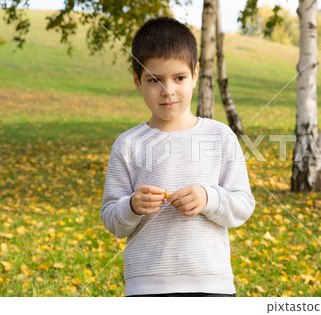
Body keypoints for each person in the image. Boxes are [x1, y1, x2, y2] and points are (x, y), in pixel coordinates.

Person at [100, 17, 255, 297]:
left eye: (179, 78)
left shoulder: (219, 136)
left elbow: (243, 205)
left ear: (195, 75)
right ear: (137, 81)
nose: (168, 90)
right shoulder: (127, 144)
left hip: (212, 285)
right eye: (154, 79)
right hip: (146, 287)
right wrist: (132, 205)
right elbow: (112, 220)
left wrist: (209, 197)